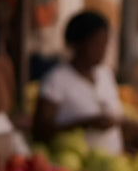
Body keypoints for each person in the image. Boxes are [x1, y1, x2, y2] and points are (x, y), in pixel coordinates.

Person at [33, 10, 123, 154]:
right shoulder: (56, 80)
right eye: (97, 44)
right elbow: (40, 131)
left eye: (105, 44)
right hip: (73, 167)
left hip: (112, 163)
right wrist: (85, 123)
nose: (102, 50)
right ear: (78, 43)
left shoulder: (105, 75)